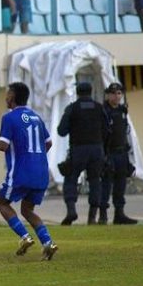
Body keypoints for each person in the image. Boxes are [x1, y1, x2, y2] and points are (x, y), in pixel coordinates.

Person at [0, 82, 58, 261]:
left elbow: (3, 145)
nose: (6, 96)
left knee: (2, 203)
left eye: (8, 93)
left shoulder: (9, 117)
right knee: (27, 210)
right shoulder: (36, 117)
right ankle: (48, 243)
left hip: (21, 172)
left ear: (12, 96)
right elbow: (48, 143)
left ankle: (25, 237)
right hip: (41, 172)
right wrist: (36, 156)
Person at [57, 82, 110, 226]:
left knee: (71, 179)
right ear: (91, 91)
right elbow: (107, 130)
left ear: (77, 92)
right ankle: (92, 217)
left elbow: (61, 131)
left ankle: (71, 210)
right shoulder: (99, 108)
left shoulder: (72, 108)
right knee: (95, 181)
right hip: (97, 149)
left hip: (78, 149)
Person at [100, 83, 139, 225]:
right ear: (108, 95)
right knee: (106, 185)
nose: (117, 96)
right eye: (114, 93)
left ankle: (119, 213)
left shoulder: (123, 111)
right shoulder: (104, 111)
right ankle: (103, 214)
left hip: (122, 152)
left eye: (119, 93)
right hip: (109, 153)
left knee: (120, 185)